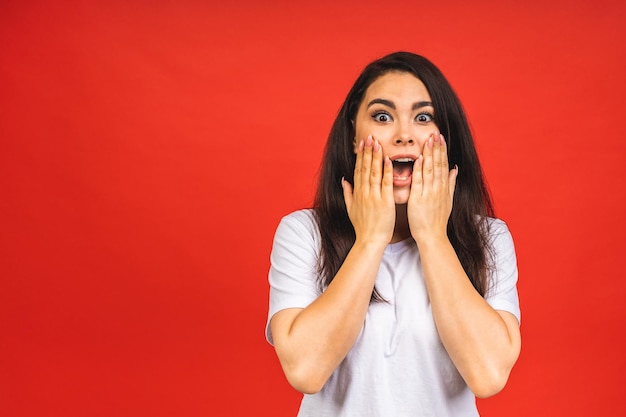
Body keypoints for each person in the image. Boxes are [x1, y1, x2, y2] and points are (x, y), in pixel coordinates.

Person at [265, 51, 521, 416]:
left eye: (423, 117)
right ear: (354, 137)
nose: (403, 135)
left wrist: (432, 235)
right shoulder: (304, 233)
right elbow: (306, 370)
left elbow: (488, 374)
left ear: (446, 137)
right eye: (382, 116)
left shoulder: (489, 237)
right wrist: (371, 238)